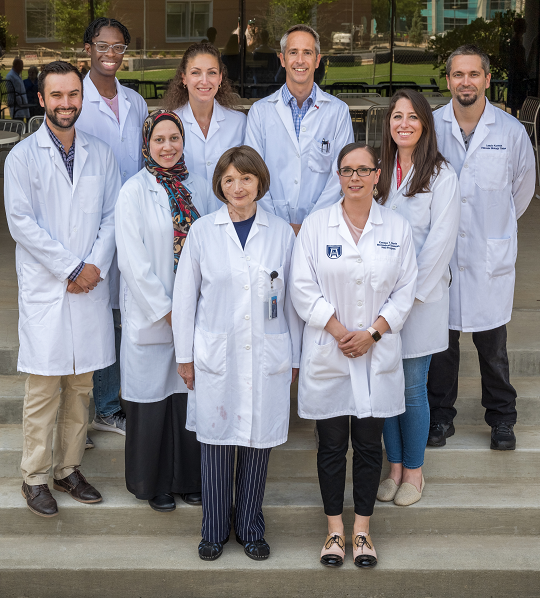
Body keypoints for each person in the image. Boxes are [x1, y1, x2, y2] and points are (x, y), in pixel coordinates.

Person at [290, 142, 418, 569]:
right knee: (330, 446)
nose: (356, 177)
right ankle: (334, 532)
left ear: (377, 175)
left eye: (364, 170)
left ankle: (362, 532)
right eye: (348, 170)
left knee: (367, 446)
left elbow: (405, 289)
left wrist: (373, 333)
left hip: (375, 354)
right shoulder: (316, 225)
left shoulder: (396, 227)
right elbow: (301, 286)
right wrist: (342, 331)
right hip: (331, 349)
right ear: (338, 176)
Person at [173, 146, 301, 562]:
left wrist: (294, 358)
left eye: (245, 178)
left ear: (259, 181)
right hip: (216, 355)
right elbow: (184, 298)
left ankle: (250, 527)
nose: (237, 186)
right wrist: (185, 357)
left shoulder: (281, 232)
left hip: (268, 353)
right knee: (215, 444)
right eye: (228, 180)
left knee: (257, 444)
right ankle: (212, 530)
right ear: (219, 186)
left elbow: (294, 300)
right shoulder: (203, 232)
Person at [3, 60, 118, 518]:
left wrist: (93, 266)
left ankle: (68, 469)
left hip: (88, 284)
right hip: (49, 287)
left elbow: (112, 217)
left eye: (73, 95)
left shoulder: (101, 154)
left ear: (81, 98)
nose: (66, 103)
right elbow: (21, 223)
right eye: (57, 96)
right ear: (41, 99)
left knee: (82, 385)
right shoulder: (23, 157)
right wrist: (71, 267)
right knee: (44, 388)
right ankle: (34, 476)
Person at [427, 45, 535, 451]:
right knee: (443, 345)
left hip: (489, 258)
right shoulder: (432, 126)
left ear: (487, 79)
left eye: (474, 74)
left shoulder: (510, 131)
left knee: (493, 348)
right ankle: (441, 417)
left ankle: (502, 419)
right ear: (449, 80)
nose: (465, 82)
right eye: (458, 75)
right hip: (445, 256)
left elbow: (520, 192)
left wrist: (494, 230)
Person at [114, 110, 214, 512]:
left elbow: (212, 245)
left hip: (197, 313)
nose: (168, 146)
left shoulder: (201, 187)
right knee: (152, 401)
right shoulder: (133, 191)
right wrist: (172, 312)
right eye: (159, 140)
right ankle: (152, 483)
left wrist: (195, 310)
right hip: (153, 316)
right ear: (146, 145)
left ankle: (189, 480)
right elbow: (132, 263)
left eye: (174, 138)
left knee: (188, 400)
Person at [374, 90, 460, 507]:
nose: (403, 123)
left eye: (411, 117)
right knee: (386, 386)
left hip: (419, 301)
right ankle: (393, 467)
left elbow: (440, 244)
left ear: (425, 123)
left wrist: (404, 300)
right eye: (396, 116)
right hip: (378, 299)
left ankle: (414, 471)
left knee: (411, 388)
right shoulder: (379, 170)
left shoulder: (442, 175)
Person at [75, 17, 149, 441]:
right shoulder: (74, 98)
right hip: (88, 225)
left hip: (129, 223)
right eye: (102, 45)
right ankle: (80, 410)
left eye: (118, 47)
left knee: (118, 315)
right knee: (89, 314)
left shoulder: (135, 102)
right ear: (88, 48)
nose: (110, 53)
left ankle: (106, 406)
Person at [245, 24, 354, 235]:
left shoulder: (338, 112)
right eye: (293, 52)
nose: (300, 60)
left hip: (322, 228)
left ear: (317, 60)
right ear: (282, 59)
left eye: (307, 53)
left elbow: (341, 173)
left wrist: (311, 225)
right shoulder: (260, 112)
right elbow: (252, 172)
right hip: (270, 227)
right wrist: (280, 225)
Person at [163, 41, 246, 209]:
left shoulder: (239, 123)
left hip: (229, 220)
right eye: (196, 73)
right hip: (184, 221)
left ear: (221, 77)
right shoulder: (168, 123)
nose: (204, 81)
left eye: (212, 73)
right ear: (183, 77)